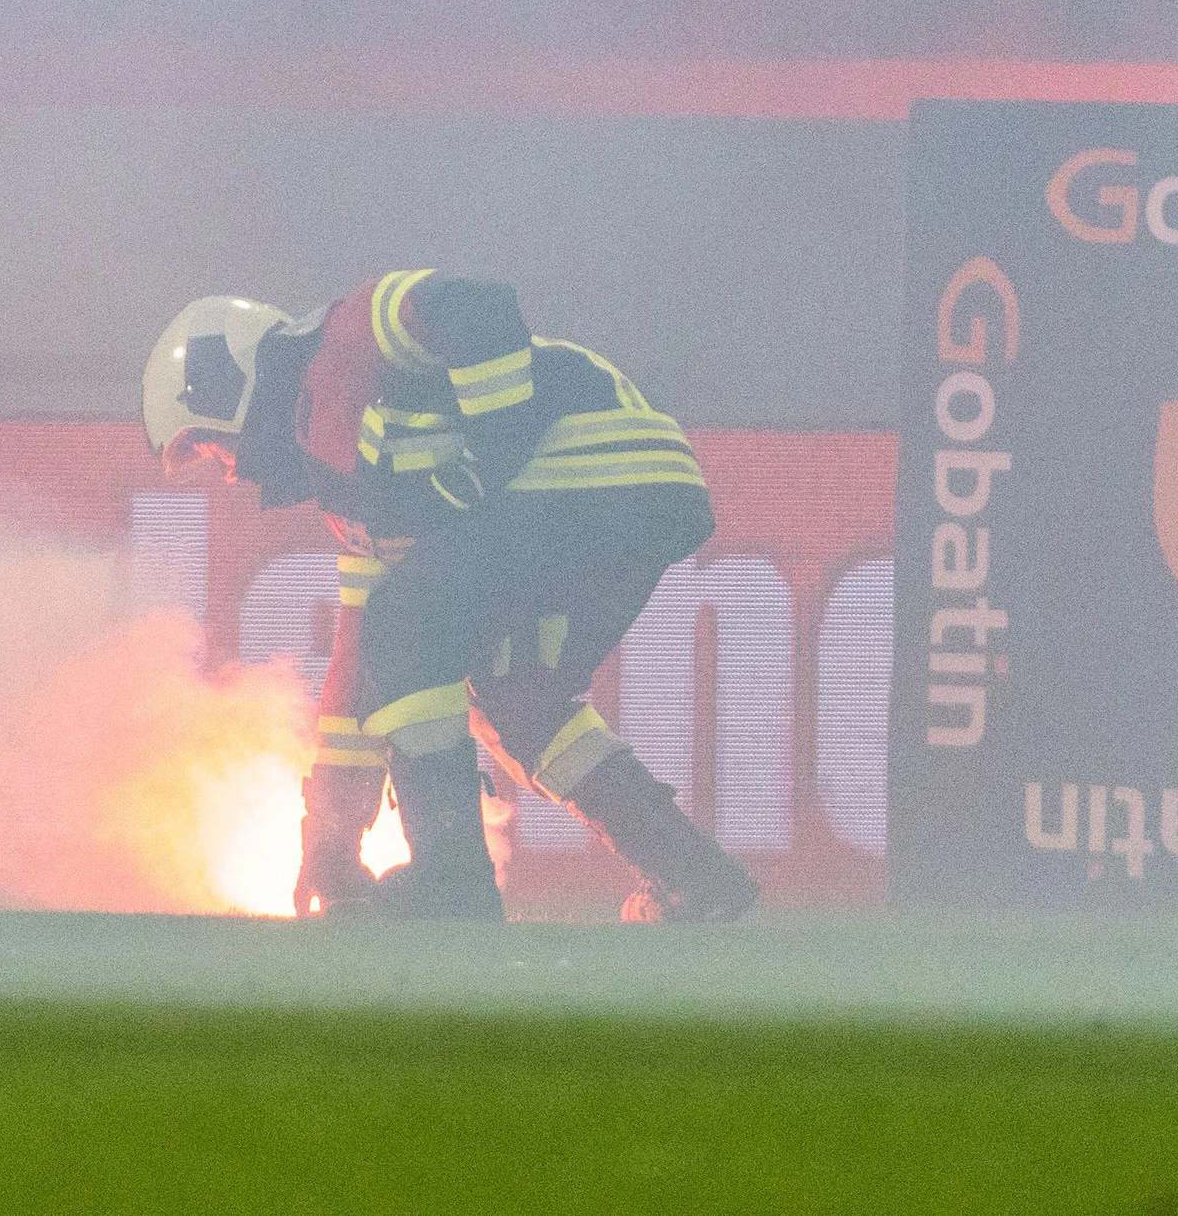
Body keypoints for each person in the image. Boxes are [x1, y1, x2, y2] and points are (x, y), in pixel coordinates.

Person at [142, 272, 759, 922]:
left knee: (406, 629)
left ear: (228, 387)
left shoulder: (344, 339)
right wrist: (330, 842)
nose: (225, 468)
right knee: (515, 700)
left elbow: (472, 303)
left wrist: (491, 450)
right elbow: (357, 670)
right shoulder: (341, 480)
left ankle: (452, 878)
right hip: (647, 494)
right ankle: (695, 876)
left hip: (582, 473)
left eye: (205, 443)